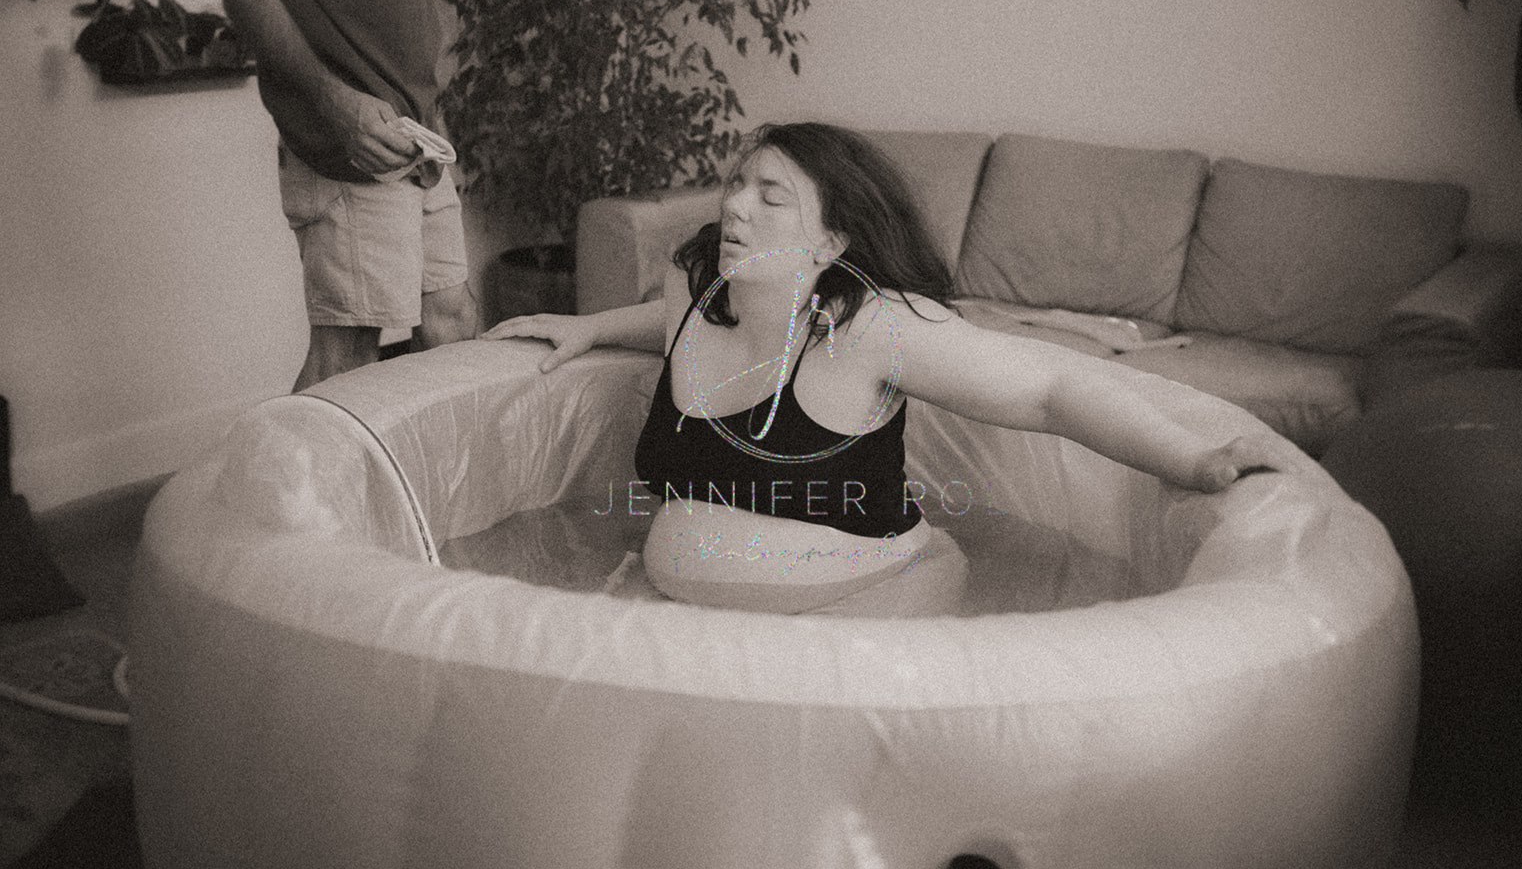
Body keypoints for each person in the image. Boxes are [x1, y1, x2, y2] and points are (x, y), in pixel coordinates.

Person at [482, 123, 1299, 617]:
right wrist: (590, 326)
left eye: (770, 195)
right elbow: (674, 327)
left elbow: (1053, 391)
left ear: (832, 241)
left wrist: (1194, 460)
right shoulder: (696, 281)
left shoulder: (876, 329)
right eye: (736, 184)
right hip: (690, 615)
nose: (732, 204)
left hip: (866, 606)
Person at [223, 0, 476, 392]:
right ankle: (279, 475)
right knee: (346, 361)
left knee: (452, 323)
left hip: (418, 134)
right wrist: (336, 104)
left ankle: (434, 474)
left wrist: (431, 102)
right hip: (348, 145)